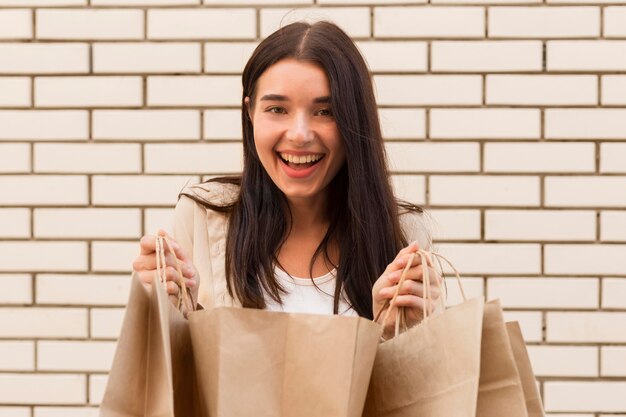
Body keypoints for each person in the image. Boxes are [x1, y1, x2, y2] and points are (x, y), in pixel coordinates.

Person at [132, 20, 442, 339]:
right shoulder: (204, 215)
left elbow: (426, 383)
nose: (299, 134)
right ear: (250, 113)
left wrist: (398, 331)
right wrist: (167, 310)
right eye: (277, 109)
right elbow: (170, 376)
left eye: (326, 112)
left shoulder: (404, 233)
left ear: (354, 118)